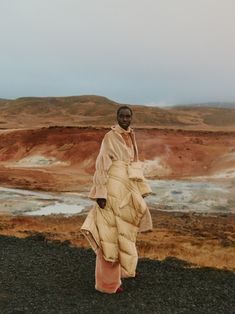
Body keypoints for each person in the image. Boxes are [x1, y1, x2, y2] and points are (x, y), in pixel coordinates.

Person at [81, 105, 152, 294]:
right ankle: (107, 284)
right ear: (117, 117)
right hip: (112, 186)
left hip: (126, 187)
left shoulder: (131, 135)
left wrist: (140, 187)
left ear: (132, 118)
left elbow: (134, 163)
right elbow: (102, 164)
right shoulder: (109, 137)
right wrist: (100, 193)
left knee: (125, 229)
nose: (125, 119)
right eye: (122, 116)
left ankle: (122, 270)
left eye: (128, 116)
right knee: (109, 233)